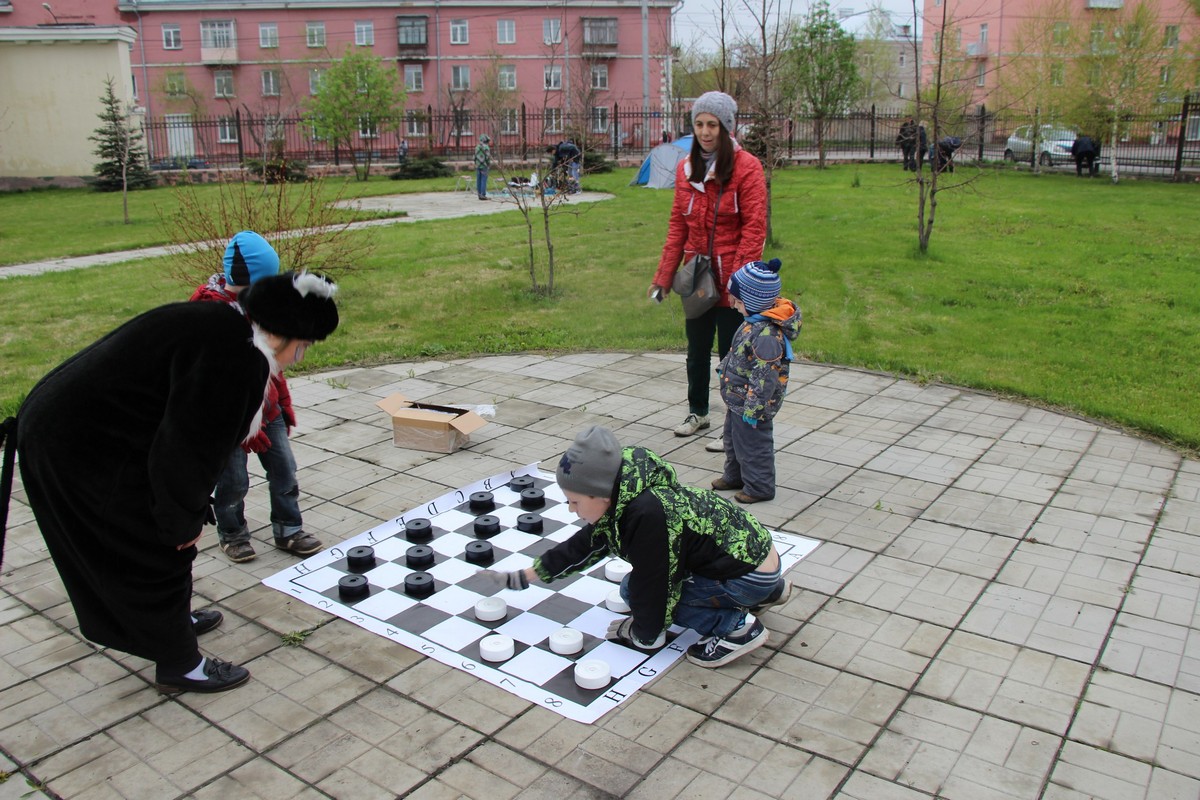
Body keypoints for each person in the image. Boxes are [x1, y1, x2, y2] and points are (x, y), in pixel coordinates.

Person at [13, 271, 339, 694]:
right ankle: (180, 664)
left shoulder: (225, 324)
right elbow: (187, 453)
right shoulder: (237, 359)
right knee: (154, 546)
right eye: (305, 344)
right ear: (285, 333)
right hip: (78, 445)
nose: (302, 355)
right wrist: (181, 523)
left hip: (77, 426)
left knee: (160, 534)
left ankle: (170, 624)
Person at [479, 426, 792, 667]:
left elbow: (656, 583)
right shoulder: (628, 491)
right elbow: (587, 544)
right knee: (640, 589)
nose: (572, 510)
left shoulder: (648, 517)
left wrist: (645, 633)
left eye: (574, 502)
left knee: (633, 592)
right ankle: (768, 592)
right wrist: (533, 573)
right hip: (759, 561)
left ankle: (736, 627)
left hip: (746, 576)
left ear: (599, 496)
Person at [190, 231, 323, 563]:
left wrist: (284, 400)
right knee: (233, 480)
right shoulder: (208, 312)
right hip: (228, 417)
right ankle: (233, 534)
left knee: (284, 469)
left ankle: (288, 529)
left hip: (268, 407)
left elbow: (275, 358)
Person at [647, 91, 767, 454]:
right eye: (699, 124)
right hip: (698, 277)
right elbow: (676, 228)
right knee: (696, 351)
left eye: (712, 124)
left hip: (732, 281)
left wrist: (740, 284)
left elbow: (754, 228)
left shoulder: (747, 168)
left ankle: (733, 426)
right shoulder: (687, 169)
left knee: (732, 357)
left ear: (726, 127)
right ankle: (698, 412)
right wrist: (663, 278)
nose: (704, 132)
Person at [711, 259, 801, 504]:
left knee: (754, 446)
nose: (732, 304)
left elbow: (765, 376)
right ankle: (735, 476)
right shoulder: (752, 325)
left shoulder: (767, 335)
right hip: (738, 398)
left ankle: (760, 487)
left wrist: (754, 407)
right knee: (732, 440)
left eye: (737, 300)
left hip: (753, 404)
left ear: (752, 301)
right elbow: (738, 353)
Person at [474, 134, 491, 200]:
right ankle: (483, 195)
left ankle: (479, 194)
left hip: (478, 165)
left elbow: (475, 157)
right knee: (483, 180)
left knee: (478, 180)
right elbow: (487, 157)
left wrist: (476, 163)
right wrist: (488, 164)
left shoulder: (477, 147)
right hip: (484, 165)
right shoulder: (486, 147)